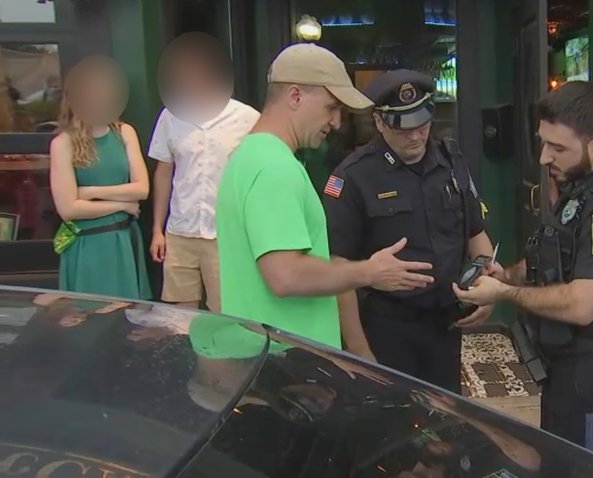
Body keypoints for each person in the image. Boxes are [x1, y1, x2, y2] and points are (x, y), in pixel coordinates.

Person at [453, 81, 593, 462]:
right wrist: (504, 275)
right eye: (543, 143)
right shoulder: (578, 194)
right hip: (565, 372)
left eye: (559, 148)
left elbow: (584, 304)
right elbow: (550, 261)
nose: (545, 157)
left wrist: (502, 295)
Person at [214, 43, 435, 355]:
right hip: (286, 365)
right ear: (295, 96)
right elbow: (286, 275)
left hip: (263, 355)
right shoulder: (274, 168)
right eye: (331, 107)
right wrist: (368, 272)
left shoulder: (248, 156)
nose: (336, 123)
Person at [322, 69, 497, 393]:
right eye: (403, 129)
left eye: (422, 125)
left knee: (446, 421)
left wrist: (488, 288)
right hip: (388, 329)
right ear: (379, 122)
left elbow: (476, 233)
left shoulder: (451, 162)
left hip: (446, 323)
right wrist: (360, 353)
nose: (416, 137)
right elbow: (338, 270)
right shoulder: (353, 177)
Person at [148, 32, 260, 312]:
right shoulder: (170, 116)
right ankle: (185, 358)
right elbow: (164, 173)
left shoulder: (246, 117)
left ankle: (220, 358)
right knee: (179, 315)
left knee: (225, 312)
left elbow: (259, 175)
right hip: (180, 231)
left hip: (224, 233)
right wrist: (157, 230)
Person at [49, 55, 152, 300]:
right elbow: (69, 209)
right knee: (90, 318)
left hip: (124, 240)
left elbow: (142, 189)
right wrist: (121, 204)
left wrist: (93, 192)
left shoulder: (125, 132)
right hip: (88, 246)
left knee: (127, 318)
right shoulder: (63, 144)